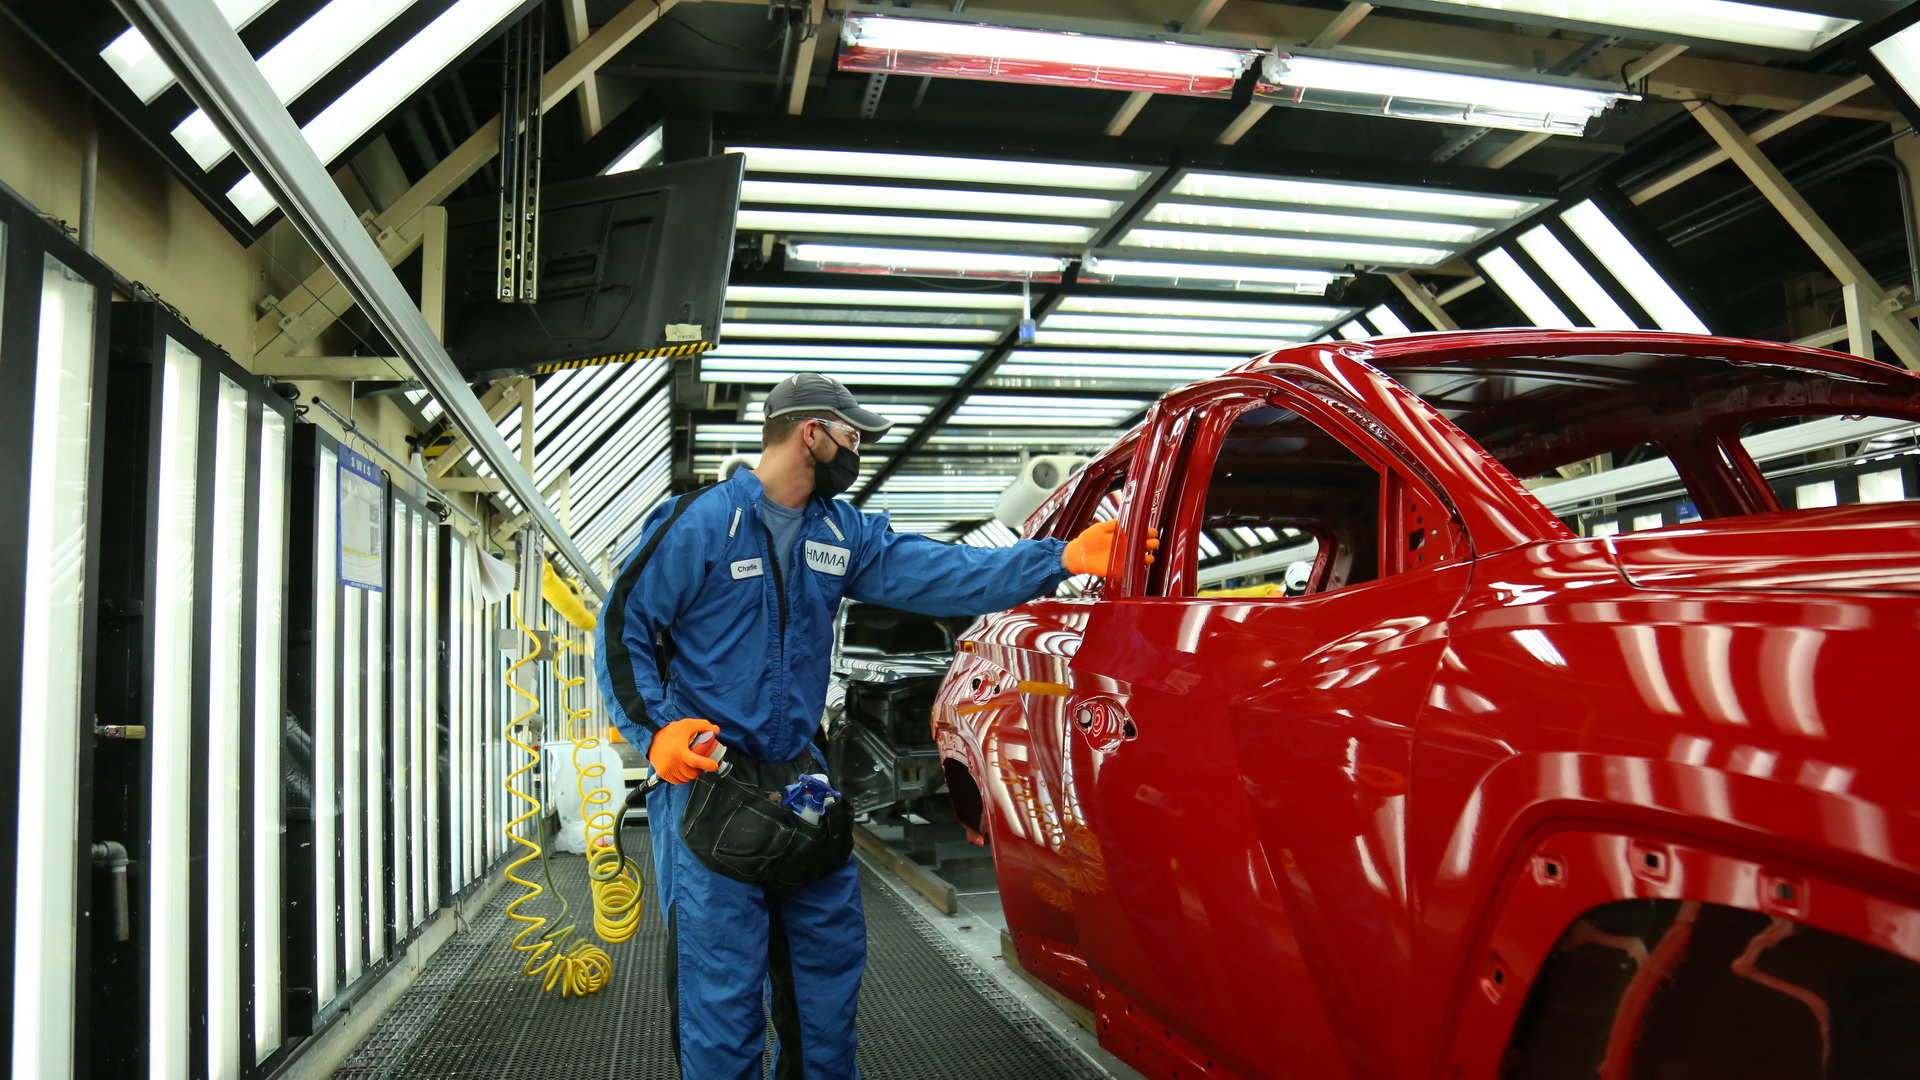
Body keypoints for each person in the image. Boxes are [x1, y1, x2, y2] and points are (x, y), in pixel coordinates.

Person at [596, 371, 1153, 1078]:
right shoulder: (702, 522)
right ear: (811, 433)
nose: (858, 450)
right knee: (721, 991)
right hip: (710, 781)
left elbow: (944, 573)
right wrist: (655, 731)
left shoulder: (842, 532)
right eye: (853, 436)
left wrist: (1059, 559)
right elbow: (623, 629)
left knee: (826, 973)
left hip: (801, 777)